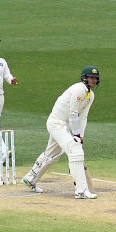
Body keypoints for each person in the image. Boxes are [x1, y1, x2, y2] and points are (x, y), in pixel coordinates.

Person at [21, 66, 100, 198]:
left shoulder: (90, 95)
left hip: (65, 126)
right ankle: (81, 191)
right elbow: (73, 113)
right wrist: (76, 135)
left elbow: (83, 117)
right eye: (91, 78)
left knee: (53, 154)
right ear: (84, 78)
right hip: (56, 123)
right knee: (75, 150)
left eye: (95, 78)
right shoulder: (79, 89)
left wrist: (81, 135)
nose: (93, 80)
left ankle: (30, 178)